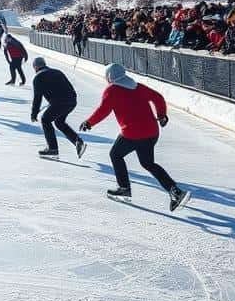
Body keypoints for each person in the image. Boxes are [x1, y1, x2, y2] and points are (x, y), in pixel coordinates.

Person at [80, 63, 190, 211]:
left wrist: (89, 122)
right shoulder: (137, 86)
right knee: (148, 163)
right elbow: (158, 98)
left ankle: (124, 187)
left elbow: (103, 110)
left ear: (109, 76)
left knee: (115, 155)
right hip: (151, 132)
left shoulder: (112, 90)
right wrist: (162, 115)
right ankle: (175, 191)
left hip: (132, 133)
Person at [30, 57, 85, 159]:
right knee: (59, 122)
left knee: (45, 120)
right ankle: (78, 142)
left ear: (36, 67)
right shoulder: (57, 72)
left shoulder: (38, 77)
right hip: (72, 100)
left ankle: (52, 149)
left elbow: (37, 98)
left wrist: (34, 114)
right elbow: (70, 87)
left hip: (59, 103)